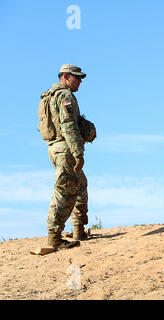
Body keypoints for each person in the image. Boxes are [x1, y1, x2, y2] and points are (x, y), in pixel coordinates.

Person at [39, 64, 96, 249]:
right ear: (65, 77)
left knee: (80, 183)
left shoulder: (48, 96)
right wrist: (78, 152)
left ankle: (79, 229)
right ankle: (54, 237)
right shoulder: (65, 96)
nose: (80, 81)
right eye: (77, 77)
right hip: (65, 149)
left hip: (54, 148)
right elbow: (68, 124)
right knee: (64, 191)